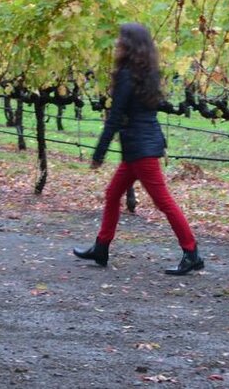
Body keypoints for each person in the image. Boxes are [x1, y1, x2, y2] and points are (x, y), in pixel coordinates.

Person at [73, 22, 204, 275]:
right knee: (112, 194)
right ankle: (101, 247)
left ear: (129, 45)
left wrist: (99, 153)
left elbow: (115, 116)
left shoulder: (126, 74)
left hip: (140, 149)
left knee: (163, 201)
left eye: (120, 39)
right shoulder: (148, 73)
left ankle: (191, 252)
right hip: (141, 146)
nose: (116, 44)